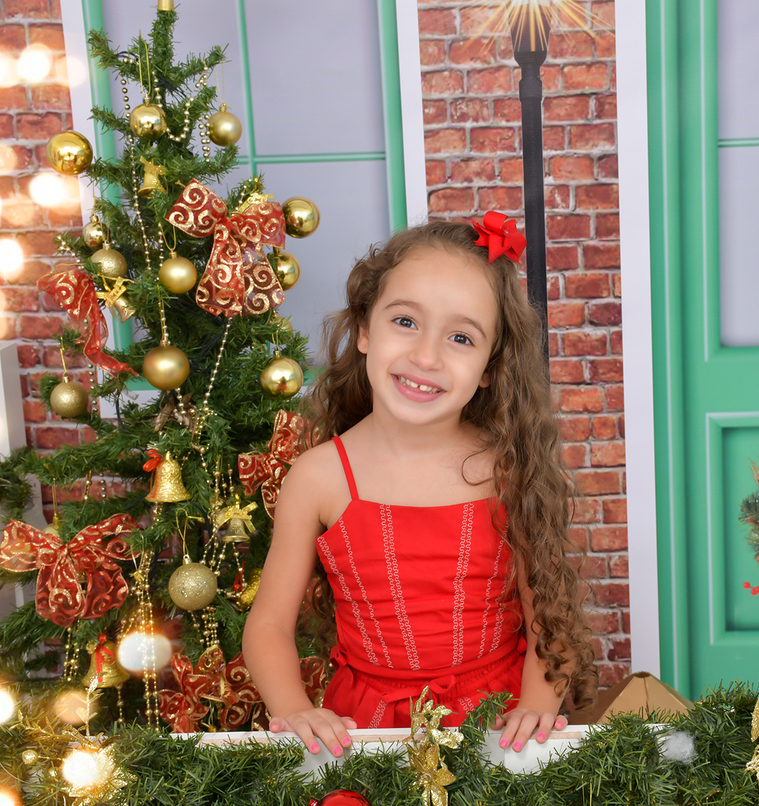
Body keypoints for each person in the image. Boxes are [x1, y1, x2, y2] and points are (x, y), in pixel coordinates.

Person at [242, 215, 597, 759]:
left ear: (489, 367)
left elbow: (551, 613)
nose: (427, 357)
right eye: (406, 321)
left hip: (494, 722)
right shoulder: (317, 478)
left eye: (461, 337)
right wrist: (295, 709)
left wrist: (535, 708)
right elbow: (268, 625)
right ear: (365, 330)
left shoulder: (507, 469)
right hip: (367, 730)